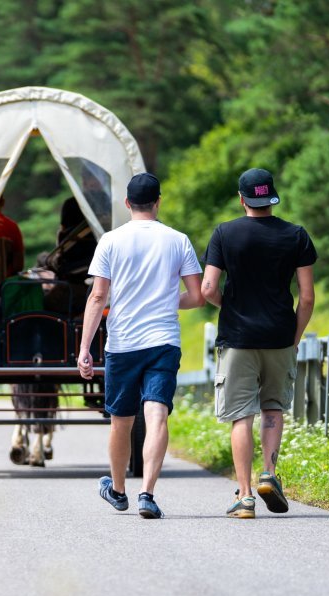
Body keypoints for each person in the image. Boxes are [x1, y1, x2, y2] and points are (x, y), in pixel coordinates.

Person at [78, 173, 204, 519]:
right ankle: (147, 493)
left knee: (121, 420)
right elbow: (197, 296)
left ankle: (118, 491)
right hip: (163, 341)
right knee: (157, 414)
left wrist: (85, 347)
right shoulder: (178, 240)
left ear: (127, 204)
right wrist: (164, 300)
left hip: (123, 343)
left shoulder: (110, 241)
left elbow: (98, 296)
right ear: (158, 202)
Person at [200, 168, 316, 519]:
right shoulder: (296, 235)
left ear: (242, 198)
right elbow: (307, 298)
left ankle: (246, 495)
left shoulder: (225, 233)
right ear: (272, 197)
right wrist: (293, 338)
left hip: (238, 338)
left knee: (240, 416)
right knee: (272, 409)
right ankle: (269, 472)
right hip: (279, 336)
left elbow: (207, 289)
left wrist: (230, 305)